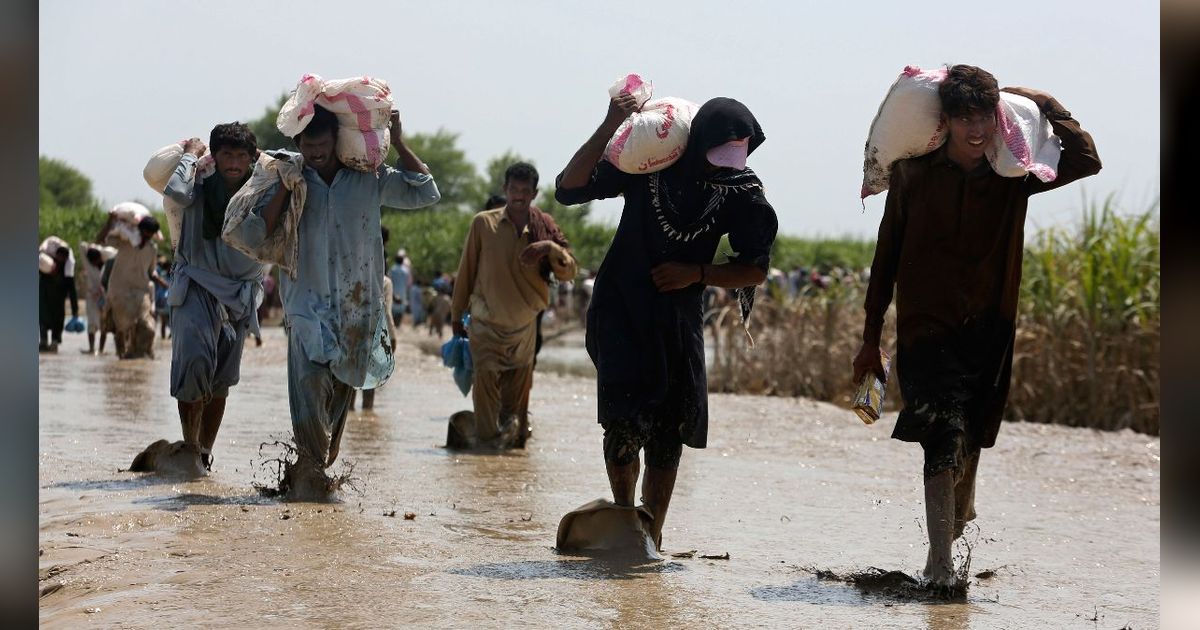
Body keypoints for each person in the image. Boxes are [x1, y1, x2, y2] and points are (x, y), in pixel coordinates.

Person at [851, 65, 1102, 586]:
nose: (975, 130)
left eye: (984, 117)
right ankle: (940, 565)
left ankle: (956, 519)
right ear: (945, 119)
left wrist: (1048, 103)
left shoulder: (1014, 179)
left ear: (998, 117)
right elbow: (886, 257)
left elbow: (1087, 161)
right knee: (941, 434)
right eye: (964, 118)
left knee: (970, 436)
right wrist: (870, 340)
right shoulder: (913, 175)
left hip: (989, 333)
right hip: (926, 331)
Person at [555, 95, 778, 551]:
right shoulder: (650, 163)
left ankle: (650, 536)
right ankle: (624, 521)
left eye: (735, 158)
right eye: (717, 158)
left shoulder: (741, 191)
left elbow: (754, 269)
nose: (722, 168)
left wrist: (697, 274)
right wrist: (612, 122)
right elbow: (568, 186)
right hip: (622, 311)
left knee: (668, 434)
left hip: (678, 320)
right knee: (622, 424)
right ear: (697, 144)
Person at [236, 104, 440, 498]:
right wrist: (285, 183)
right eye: (307, 146)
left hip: (356, 306)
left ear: (336, 141)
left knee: (342, 390)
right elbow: (255, 234)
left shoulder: (367, 179)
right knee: (310, 384)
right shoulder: (289, 177)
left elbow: (425, 191)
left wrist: (397, 141)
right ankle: (310, 480)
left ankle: (314, 469)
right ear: (298, 143)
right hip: (304, 303)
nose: (315, 153)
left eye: (322, 145)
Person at [158, 122, 266, 472]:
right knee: (193, 364)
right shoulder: (197, 185)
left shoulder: (260, 189)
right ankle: (189, 446)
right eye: (226, 154)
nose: (233, 162)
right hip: (195, 287)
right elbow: (176, 193)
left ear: (251, 159)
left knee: (221, 380)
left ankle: (204, 453)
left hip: (238, 294)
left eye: (241, 156)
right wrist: (190, 155)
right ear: (215, 157)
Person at [448, 163, 576, 449]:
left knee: (515, 402)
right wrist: (457, 315)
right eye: (514, 190)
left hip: (525, 327)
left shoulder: (543, 229)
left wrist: (549, 249)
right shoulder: (483, 223)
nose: (519, 196)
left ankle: (512, 450)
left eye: (525, 191)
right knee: (485, 389)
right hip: (486, 324)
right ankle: (486, 454)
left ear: (534, 194)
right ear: (505, 190)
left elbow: (569, 272)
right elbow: (466, 269)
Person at [97, 215, 167, 359]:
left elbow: (151, 271)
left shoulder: (152, 249)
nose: (147, 236)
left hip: (140, 293)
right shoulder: (124, 241)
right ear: (140, 230)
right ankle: (124, 361)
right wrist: (109, 223)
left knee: (148, 328)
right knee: (121, 330)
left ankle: (139, 358)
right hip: (119, 292)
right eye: (146, 232)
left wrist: (163, 283)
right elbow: (101, 240)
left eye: (150, 234)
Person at [38, 244, 78, 352]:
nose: (61, 259)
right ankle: (43, 342)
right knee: (43, 323)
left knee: (57, 325)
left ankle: (54, 343)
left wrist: (75, 311)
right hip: (44, 302)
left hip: (58, 305)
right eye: (59, 257)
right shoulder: (46, 268)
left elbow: (72, 292)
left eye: (63, 258)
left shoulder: (67, 273)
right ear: (56, 256)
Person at [80, 246, 107, 354]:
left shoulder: (106, 266)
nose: (95, 261)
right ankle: (91, 348)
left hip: (104, 298)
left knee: (104, 325)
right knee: (91, 324)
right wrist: (95, 245)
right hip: (92, 299)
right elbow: (82, 248)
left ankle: (101, 350)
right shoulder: (89, 267)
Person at [388, 249, 411, 328]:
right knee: (401, 308)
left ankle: (393, 326)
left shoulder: (392, 269)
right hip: (403, 291)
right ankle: (397, 325)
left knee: (392, 308)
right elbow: (408, 283)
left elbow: (389, 280)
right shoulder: (406, 271)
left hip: (393, 291)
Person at [154, 257, 172, 340]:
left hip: (168, 302)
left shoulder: (172, 276)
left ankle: (167, 338)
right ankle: (164, 338)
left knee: (169, 322)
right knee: (164, 323)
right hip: (164, 302)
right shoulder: (163, 274)